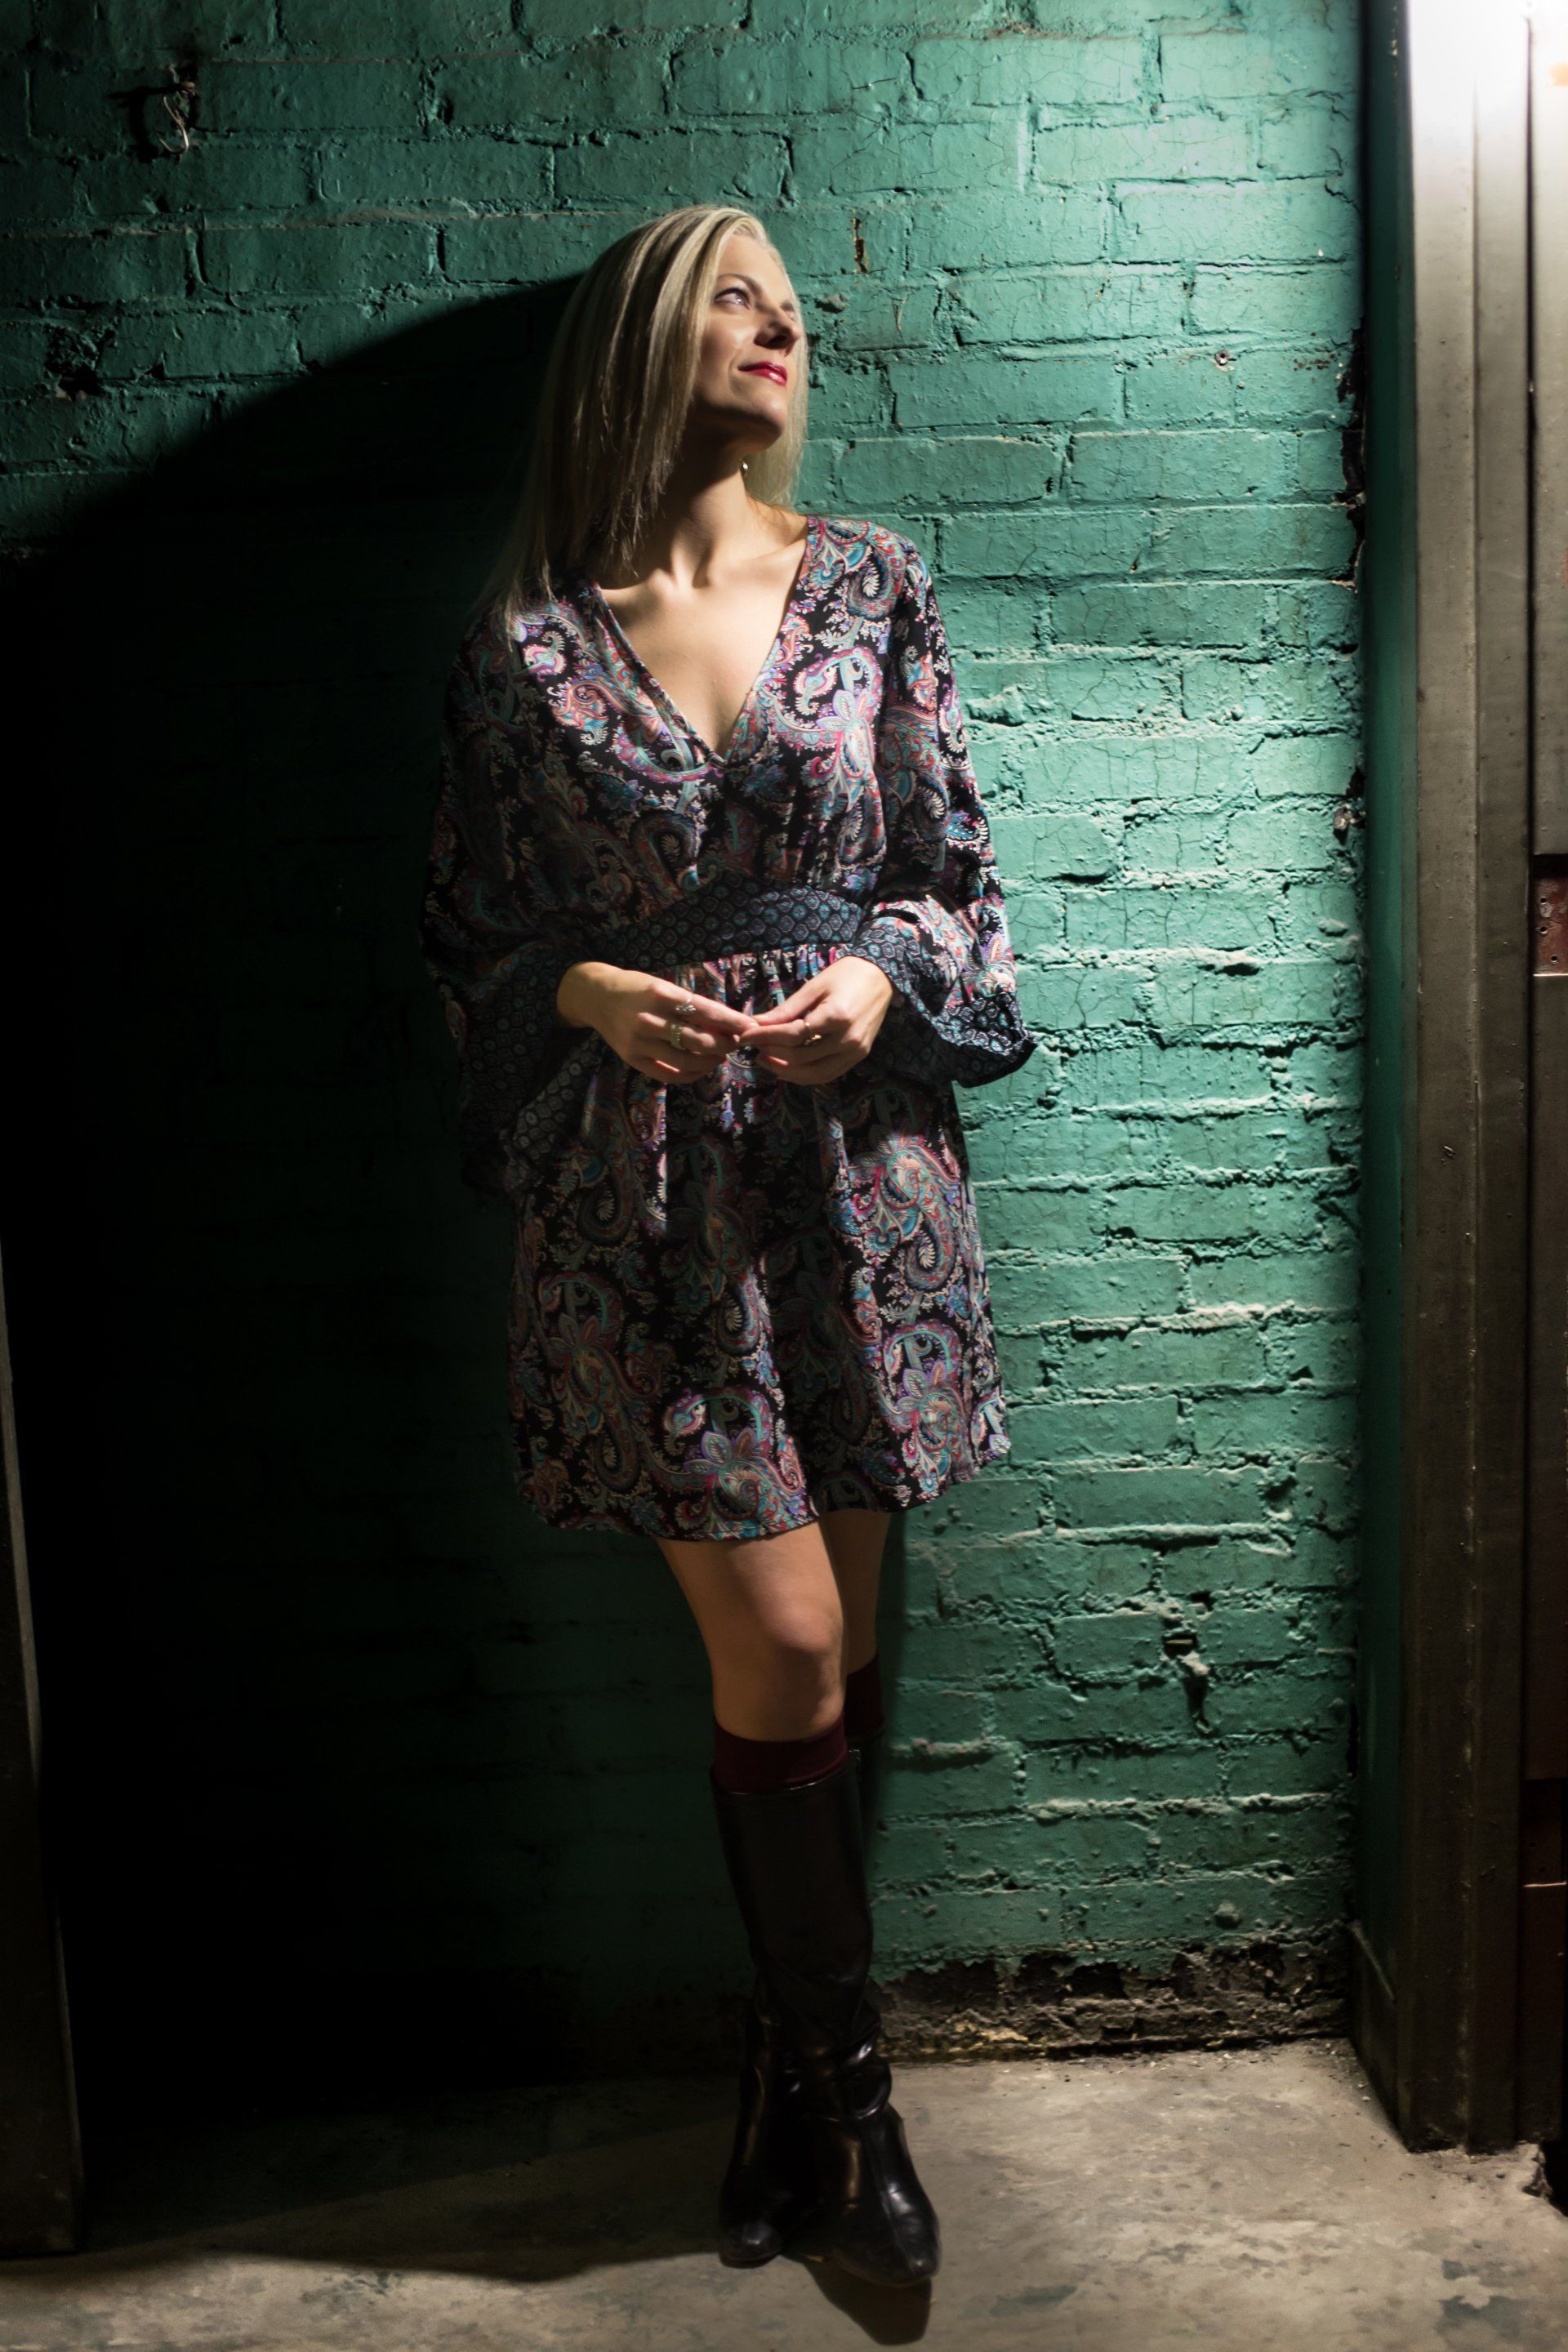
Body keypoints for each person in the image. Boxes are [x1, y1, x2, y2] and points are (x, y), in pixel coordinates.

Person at [421, 202, 1040, 2289]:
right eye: (733, 295)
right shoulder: (524, 642)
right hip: (649, 1215)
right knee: (780, 1648)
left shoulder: (872, 585)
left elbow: (961, 887)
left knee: (836, 1661)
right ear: (640, 336)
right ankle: (859, 2120)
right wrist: (586, 993)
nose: (780, 327)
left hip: (858, 1190)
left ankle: (784, 2091)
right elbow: (474, 952)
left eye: (793, 304)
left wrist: (876, 977)